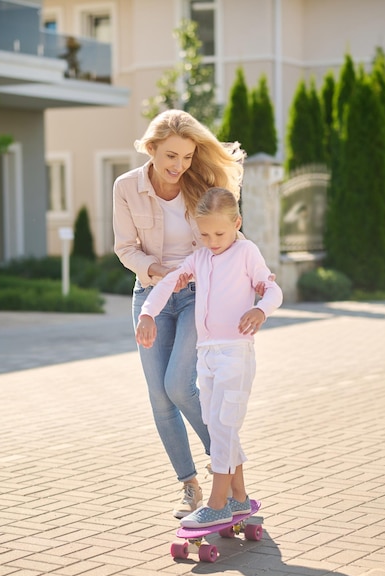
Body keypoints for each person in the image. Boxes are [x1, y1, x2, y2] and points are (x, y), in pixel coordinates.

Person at [113, 109, 250, 519]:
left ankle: (227, 468)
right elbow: (125, 249)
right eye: (171, 156)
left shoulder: (202, 184)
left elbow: (227, 235)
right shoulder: (126, 187)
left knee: (179, 384)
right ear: (151, 149)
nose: (179, 166)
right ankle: (190, 485)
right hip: (152, 294)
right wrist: (157, 271)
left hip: (196, 295)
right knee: (159, 397)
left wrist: (253, 274)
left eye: (187, 157)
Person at [135, 187, 283, 528]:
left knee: (223, 425)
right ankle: (241, 499)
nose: (212, 240)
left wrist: (261, 310)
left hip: (235, 353)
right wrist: (147, 314)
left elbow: (272, 289)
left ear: (237, 223)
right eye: (204, 234)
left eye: (219, 232)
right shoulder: (199, 258)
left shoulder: (246, 252)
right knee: (219, 428)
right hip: (207, 355)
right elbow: (168, 282)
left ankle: (219, 503)